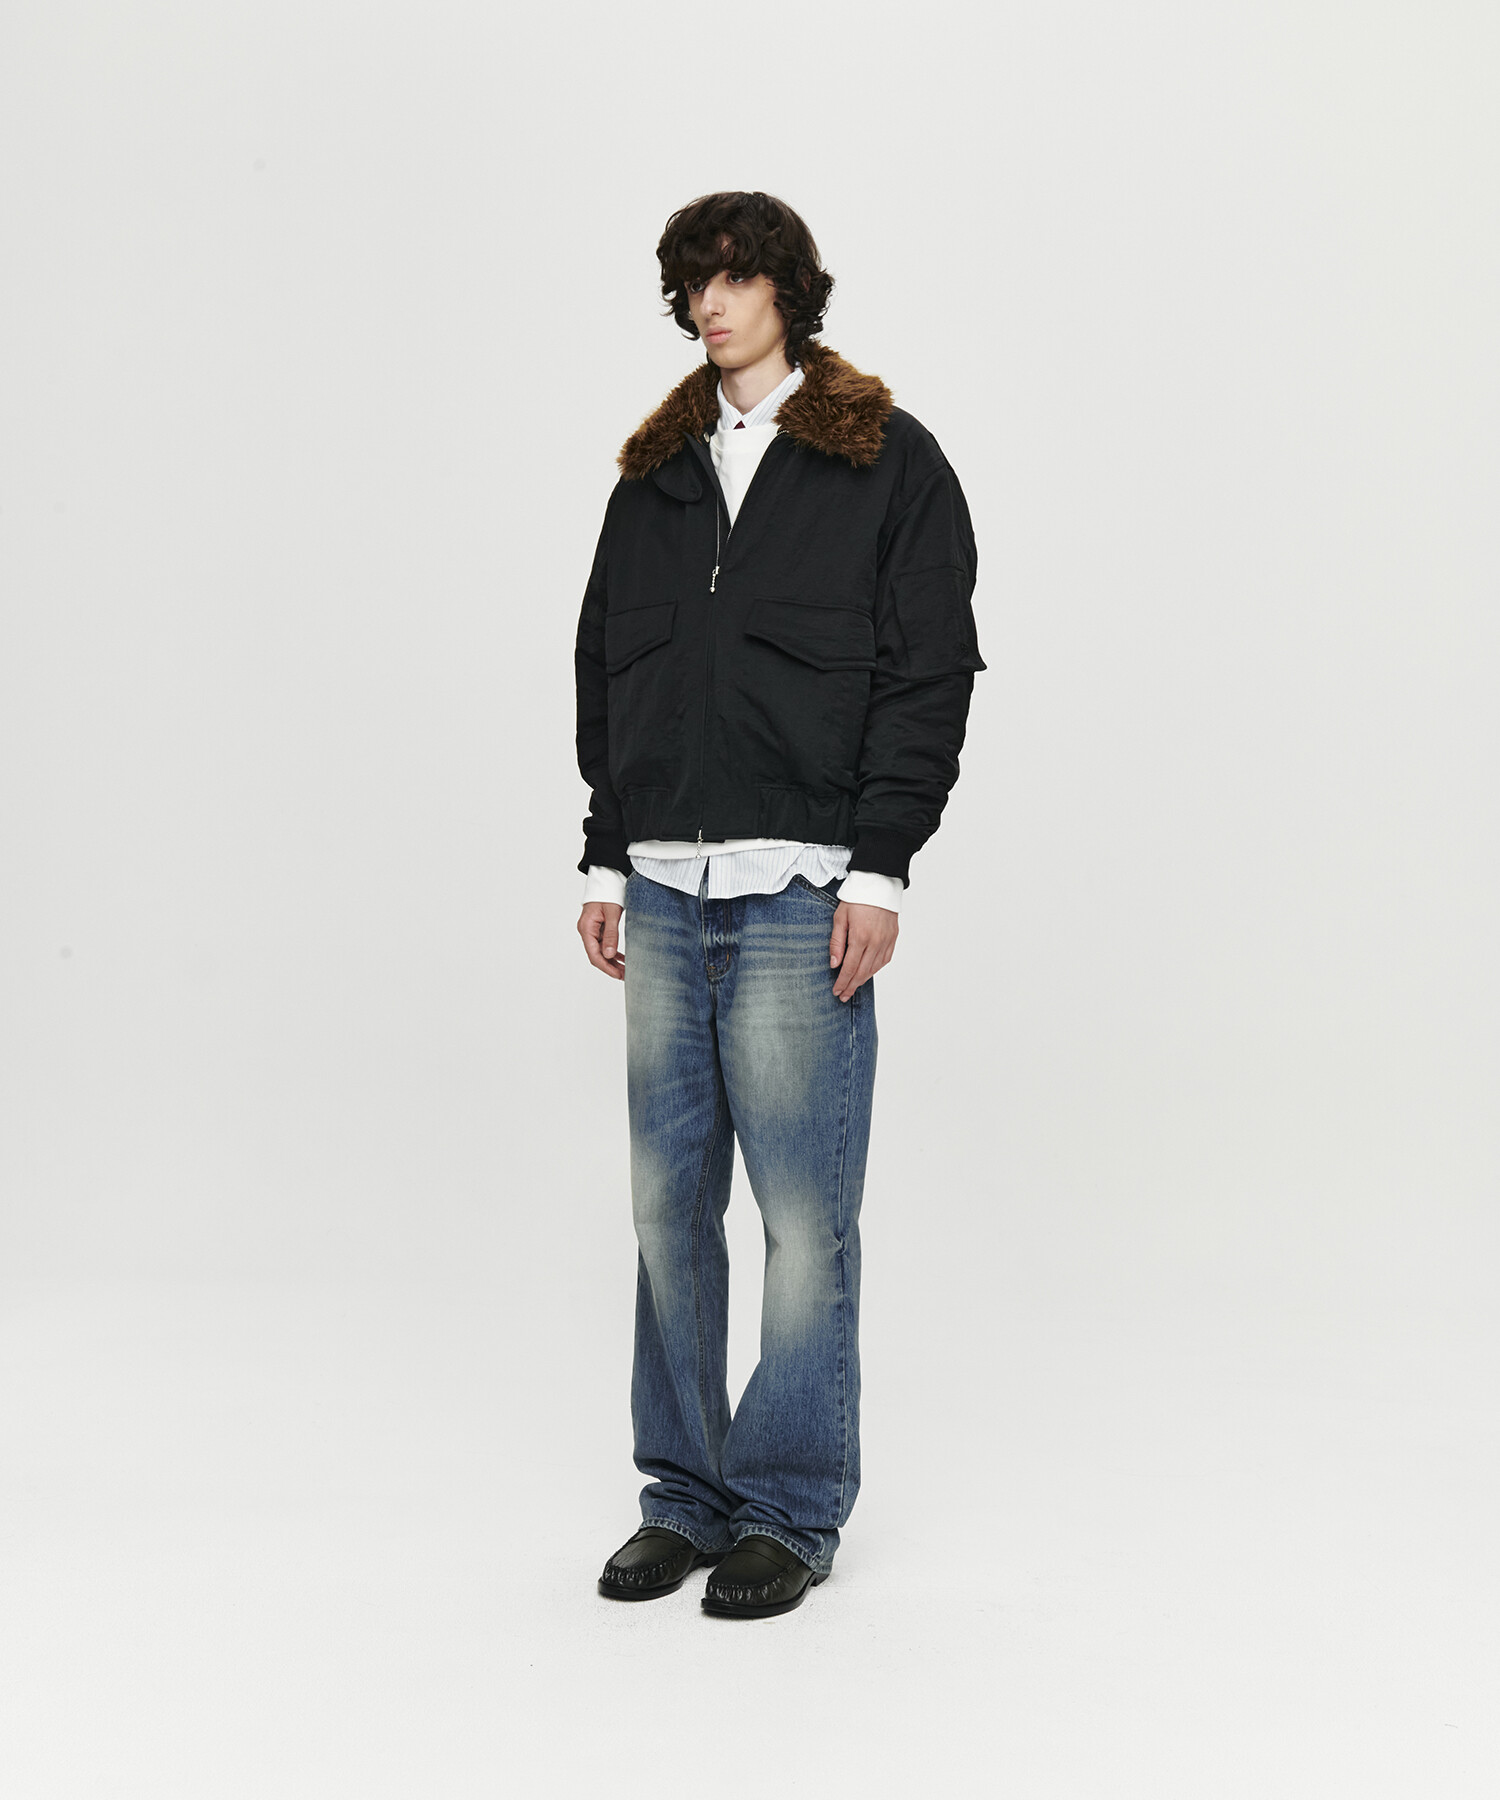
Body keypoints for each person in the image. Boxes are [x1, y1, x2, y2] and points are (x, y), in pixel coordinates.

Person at [574, 191, 986, 1619]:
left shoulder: (886, 461)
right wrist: (604, 855)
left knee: (805, 1220)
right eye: (694, 281)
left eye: (738, 278)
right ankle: (684, 1497)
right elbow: (608, 663)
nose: (712, 303)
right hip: (662, 890)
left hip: (804, 888)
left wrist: (880, 866)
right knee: (665, 1213)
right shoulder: (655, 475)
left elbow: (929, 669)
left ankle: (791, 1508)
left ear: (788, 293)